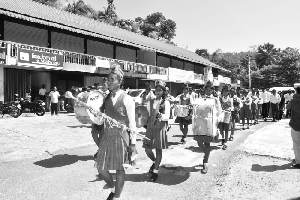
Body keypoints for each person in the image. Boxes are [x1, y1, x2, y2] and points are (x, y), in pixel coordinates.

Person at [94, 64, 136, 200]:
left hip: (121, 137)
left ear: (119, 81)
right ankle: (113, 187)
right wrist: (96, 115)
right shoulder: (104, 99)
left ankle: (116, 196)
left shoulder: (127, 99)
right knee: (100, 167)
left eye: (112, 79)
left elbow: (132, 124)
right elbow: (100, 121)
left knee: (120, 169)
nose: (108, 82)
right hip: (107, 136)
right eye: (108, 79)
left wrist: (133, 143)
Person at [143, 80, 170, 182]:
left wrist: (161, 116)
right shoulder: (151, 101)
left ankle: (155, 171)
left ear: (163, 91)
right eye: (156, 90)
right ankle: (155, 162)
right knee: (147, 149)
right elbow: (147, 113)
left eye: (160, 90)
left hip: (160, 127)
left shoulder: (166, 102)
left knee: (158, 150)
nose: (158, 92)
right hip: (150, 127)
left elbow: (167, 116)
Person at [193, 81, 222, 174]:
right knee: (199, 142)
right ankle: (206, 153)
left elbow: (219, 112)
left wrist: (217, 122)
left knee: (207, 144)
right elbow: (195, 110)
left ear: (212, 90)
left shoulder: (215, 100)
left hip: (210, 124)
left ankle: (205, 162)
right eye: (207, 89)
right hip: (200, 124)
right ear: (204, 90)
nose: (208, 91)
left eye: (210, 89)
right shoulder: (199, 99)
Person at [287, 83, 300, 169]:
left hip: (295, 125)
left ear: (296, 91)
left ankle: (298, 161)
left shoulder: (293, 100)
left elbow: (288, 108)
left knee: (296, 144)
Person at [219, 85, 233, 150]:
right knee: (221, 129)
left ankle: (225, 143)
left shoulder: (230, 99)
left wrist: (230, 109)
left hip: (227, 114)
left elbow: (232, 107)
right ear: (222, 92)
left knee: (226, 129)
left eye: (226, 91)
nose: (225, 92)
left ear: (228, 92)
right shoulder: (220, 98)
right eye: (224, 91)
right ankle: (222, 139)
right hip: (221, 115)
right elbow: (218, 106)